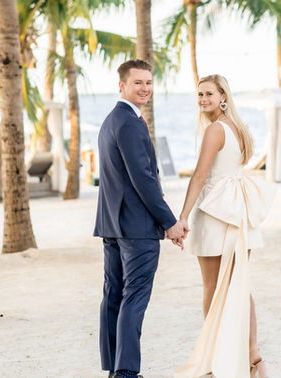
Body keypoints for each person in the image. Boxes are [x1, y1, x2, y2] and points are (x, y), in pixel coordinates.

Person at [175, 74, 275, 378]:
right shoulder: (238, 129)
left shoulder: (215, 130)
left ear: (223, 97)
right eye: (199, 94)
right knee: (238, 286)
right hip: (236, 211)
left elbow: (199, 176)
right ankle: (253, 357)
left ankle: (215, 355)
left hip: (215, 212)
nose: (203, 99)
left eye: (209, 94)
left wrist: (182, 217)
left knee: (212, 286)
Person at [94, 59, 187, 378]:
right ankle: (126, 373)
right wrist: (169, 222)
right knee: (133, 296)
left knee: (114, 295)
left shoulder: (111, 120)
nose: (145, 88)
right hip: (136, 228)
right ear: (121, 85)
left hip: (113, 223)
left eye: (149, 82)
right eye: (138, 83)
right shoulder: (130, 122)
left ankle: (115, 369)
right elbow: (143, 178)